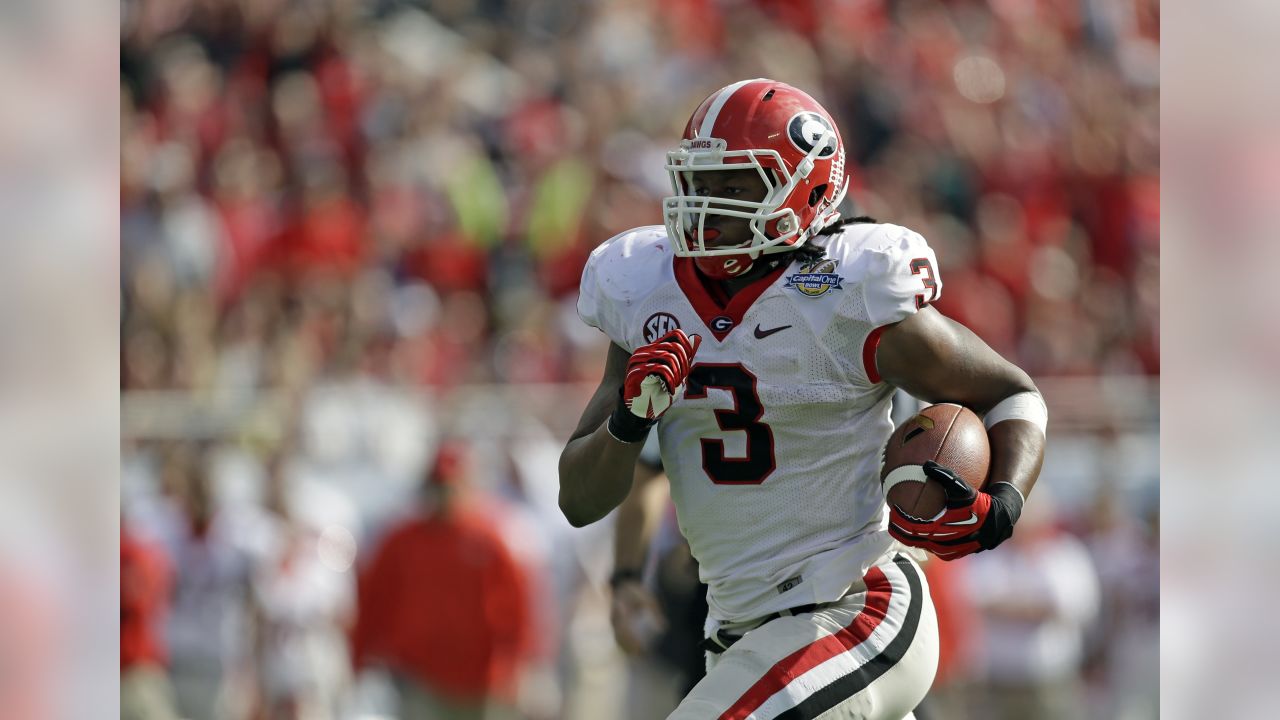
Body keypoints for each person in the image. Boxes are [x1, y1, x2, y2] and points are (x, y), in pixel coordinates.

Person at [559, 79, 1048, 719]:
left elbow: (1012, 394)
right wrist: (627, 420)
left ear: (807, 189)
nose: (710, 205)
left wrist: (1001, 503)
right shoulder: (644, 288)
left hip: (855, 607)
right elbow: (577, 500)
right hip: (735, 633)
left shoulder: (849, 290)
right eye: (701, 183)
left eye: (737, 187)